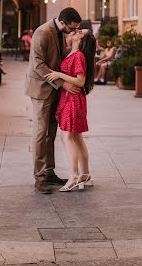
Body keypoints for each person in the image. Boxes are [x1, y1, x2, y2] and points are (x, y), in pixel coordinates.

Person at [25, 7, 82, 194]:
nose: (72, 32)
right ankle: (39, 177)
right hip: (41, 90)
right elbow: (38, 65)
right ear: (63, 22)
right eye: (71, 29)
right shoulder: (42, 32)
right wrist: (63, 83)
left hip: (54, 90)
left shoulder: (60, 31)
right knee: (40, 134)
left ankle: (49, 172)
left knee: (51, 133)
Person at [45, 28, 96, 192]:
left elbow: (80, 81)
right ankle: (85, 174)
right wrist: (61, 75)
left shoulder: (79, 55)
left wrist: (59, 75)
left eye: (81, 32)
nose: (77, 31)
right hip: (71, 98)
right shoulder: (72, 53)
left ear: (81, 40)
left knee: (66, 136)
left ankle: (74, 176)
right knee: (77, 137)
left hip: (73, 99)